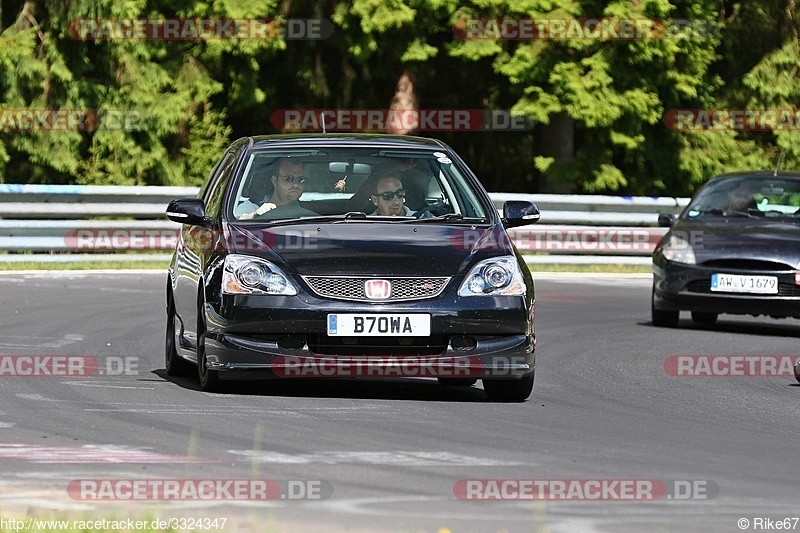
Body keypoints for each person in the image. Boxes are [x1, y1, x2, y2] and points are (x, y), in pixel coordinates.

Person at [237, 158, 305, 219]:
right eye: (289, 178)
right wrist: (255, 215)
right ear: (275, 181)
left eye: (300, 179)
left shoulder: (309, 211)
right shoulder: (251, 207)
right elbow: (235, 222)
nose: (296, 184)